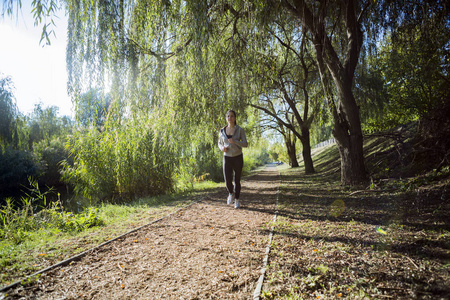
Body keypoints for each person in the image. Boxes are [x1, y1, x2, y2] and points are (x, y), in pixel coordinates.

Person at [218, 110, 248, 208]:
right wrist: (222, 148)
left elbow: (245, 144)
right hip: (227, 157)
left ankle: (237, 200)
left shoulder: (240, 130)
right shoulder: (222, 130)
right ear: (226, 118)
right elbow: (219, 143)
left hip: (237, 157)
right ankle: (231, 193)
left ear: (235, 118)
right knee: (227, 179)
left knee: (237, 180)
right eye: (228, 116)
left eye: (231, 116)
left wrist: (235, 141)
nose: (229, 118)